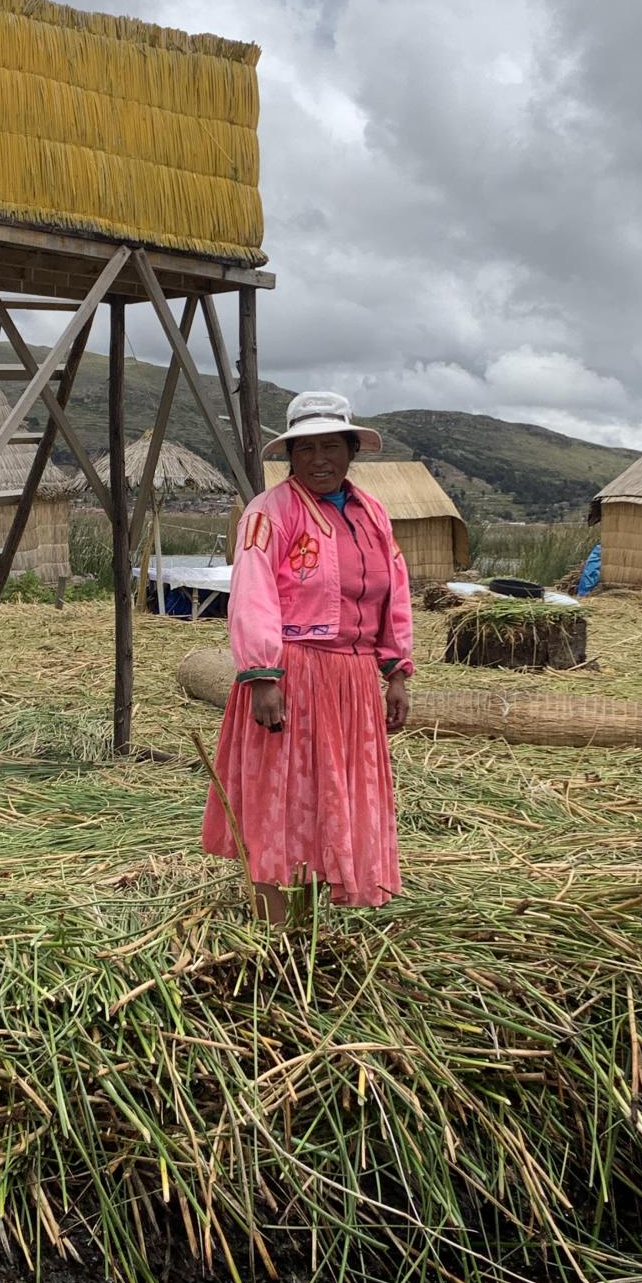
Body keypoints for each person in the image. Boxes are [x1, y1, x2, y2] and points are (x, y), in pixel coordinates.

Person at [201, 391, 413, 922]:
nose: (320, 459)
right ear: (290, 457)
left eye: (331, 446)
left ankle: (310, 924)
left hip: (354, 680)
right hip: (293, 672)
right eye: (306, 448)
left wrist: (397, 670)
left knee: (331, 799)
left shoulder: (372, 513)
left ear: (351, 450)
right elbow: (253, 594)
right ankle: (274, 929)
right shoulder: (268, 513)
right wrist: (262, 676)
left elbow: (396, 591)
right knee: (284, 795)